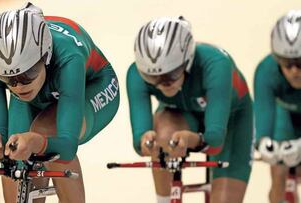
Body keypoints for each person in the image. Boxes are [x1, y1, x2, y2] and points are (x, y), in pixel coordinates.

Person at [0, 2, 119, 203]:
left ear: (45, 55)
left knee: (45, 131)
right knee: (13, 156)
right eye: (8, 79)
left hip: (91, 85)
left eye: (28, 73)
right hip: (41, 94)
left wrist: (37, 142)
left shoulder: (69, 58)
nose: (18, 86)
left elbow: (67, 147)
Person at [126, 16, 253, 203]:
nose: (162, 84)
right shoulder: (135, 74)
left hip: (231, 119)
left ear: (188, 59)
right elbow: (139, 139)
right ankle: (164, 200)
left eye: (170, 74)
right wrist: (146, 142)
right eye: (153, 78)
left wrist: (194, 139)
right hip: (181, 113)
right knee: (163, 136)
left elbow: (216, 140)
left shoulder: (216, 64)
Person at [254, 10, 301, 203]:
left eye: (300, 63)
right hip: (286, 115)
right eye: (286, 63)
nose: (294, 71)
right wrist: (263, 143)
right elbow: (264, 115)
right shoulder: (266, 71)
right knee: (279, 171)